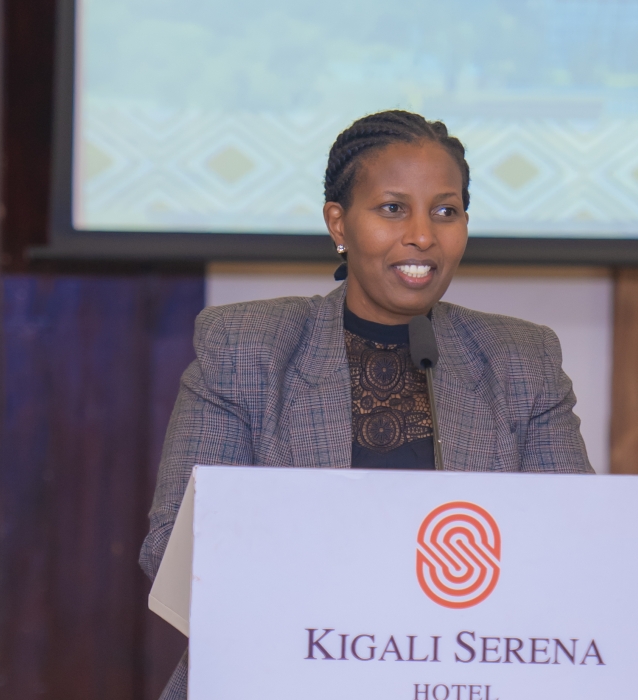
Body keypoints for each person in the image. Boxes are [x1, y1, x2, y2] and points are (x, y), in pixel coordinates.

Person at [139, 110, 593, 699]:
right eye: (392, 208)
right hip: (280, 678)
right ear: (339, 222)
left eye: (445, 211)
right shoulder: (247, 346)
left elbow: (579, 547)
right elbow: (176, 546)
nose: (423, 236)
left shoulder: (520, 359)